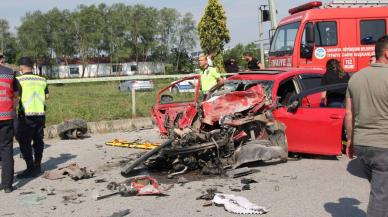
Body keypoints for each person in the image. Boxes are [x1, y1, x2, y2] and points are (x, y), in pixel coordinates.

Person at [345, 35, 388, 217]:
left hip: (362, 145)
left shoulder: (355, 78)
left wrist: (350, 140)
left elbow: (348, 113)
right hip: (383, 146)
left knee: (381, 191)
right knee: (380, 196)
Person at [15, 57, 49, 179]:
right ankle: (38, 165)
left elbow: (16, 97)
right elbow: (47, 96)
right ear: (32, 66)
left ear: (21, 67)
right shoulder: (42, 79)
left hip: (26, 116)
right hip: (40, 115)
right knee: (38, 140)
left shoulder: (19, 79)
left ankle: (30, 168)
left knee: (24, 141)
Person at [0, 64, 17, 192]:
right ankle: (7, 186)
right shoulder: (10, 73)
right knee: (6, 150)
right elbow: (16, 95)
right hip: (6, 116)